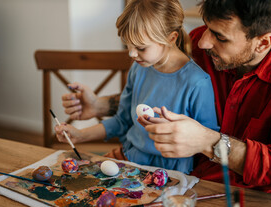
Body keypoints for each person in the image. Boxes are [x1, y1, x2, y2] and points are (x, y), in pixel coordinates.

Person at [61, 0, 271, 196]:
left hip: (242, 198)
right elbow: (161, 94)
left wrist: (209, 142)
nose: (202, 42)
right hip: (169, 174)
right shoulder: (200, 45)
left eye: (220, 37)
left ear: (262, 42)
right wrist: (102, 105)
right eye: (207, 27)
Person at [55, 0, 219, 174]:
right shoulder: (140, 68)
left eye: (140, 47)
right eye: (128, 45)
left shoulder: (197, 82)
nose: (132, 54)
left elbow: (207, 142)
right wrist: (81, 135)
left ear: (171, 38)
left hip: (171, 171)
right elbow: (122, 120)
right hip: (130, 157)